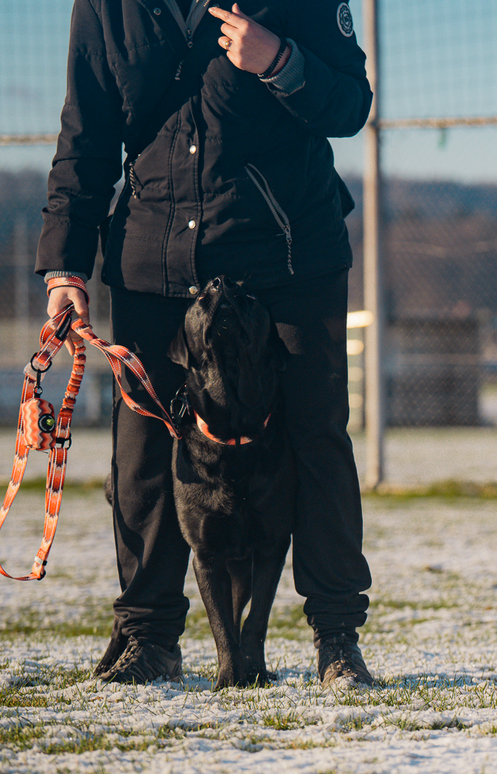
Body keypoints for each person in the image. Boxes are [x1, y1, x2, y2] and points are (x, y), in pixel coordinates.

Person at [37, 1, 376, 687]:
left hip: (287, 255)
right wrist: (64, 266)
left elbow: (349, 104)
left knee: (315, 437)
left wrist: (281, 62)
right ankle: (148, 636)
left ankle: (336, 637)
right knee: (141, 454)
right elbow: (86, 133)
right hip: (153, 259)